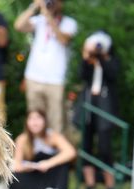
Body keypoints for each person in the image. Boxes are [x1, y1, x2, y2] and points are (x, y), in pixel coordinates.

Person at [14, 0, 77, 133]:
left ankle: (54, 146)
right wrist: (35, 5)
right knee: (34, 119)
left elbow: (63, 39)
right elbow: (19, 26)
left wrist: (48, 15)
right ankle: (36, 145)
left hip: (55, 80)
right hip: (34, 77)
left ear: (61, 3)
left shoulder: (69, 23)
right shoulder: (39, 20)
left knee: (55, 120)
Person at [78, 30, 120, 189]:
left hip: (105, 106)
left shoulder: (111, 60)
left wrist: (102, 58)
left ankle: (110, 185)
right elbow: (82, 75)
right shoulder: (89, 60)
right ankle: (90, 184)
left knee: (105, 147)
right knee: (86, 145)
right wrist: (87, 56)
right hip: (89, 104)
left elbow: (113, 75)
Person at [10, 106, 75, 189]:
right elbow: (17, 166)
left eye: (38, 118)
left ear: (44, 121)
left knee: (63, 163)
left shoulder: (53, 136)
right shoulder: (22, 139)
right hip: (33, 175)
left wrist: (48, 163)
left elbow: (70, 152)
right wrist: (31, 166)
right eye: (31, 119)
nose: (35, 123)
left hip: (50, 174)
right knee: (13, 178)